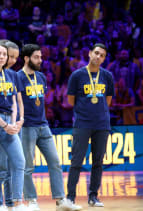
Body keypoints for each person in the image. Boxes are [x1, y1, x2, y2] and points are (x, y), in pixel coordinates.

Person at [17, 44, 81, 211]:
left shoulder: (41, 77)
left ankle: (61, 201)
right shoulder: (18, 77)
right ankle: (31, 201)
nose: (40, 60)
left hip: (43, 125)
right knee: (28, 166)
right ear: (26, 58)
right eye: (37, 57)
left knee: (55, 162)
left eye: (41, 57)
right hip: (27, 127)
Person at [66, 43, 115, 207]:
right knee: (76, 161)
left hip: (102, 124)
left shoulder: (107, 76)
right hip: (82, 123)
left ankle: (93, 197)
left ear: (104, 58)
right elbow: (71, 100)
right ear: (89, 54)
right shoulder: (77, 76)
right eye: (96, 53)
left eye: (102, 55)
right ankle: (70, 197)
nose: (98, 57)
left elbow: (108, 100)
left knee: (98, 162)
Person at [0, 40, 26, 211]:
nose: (3, 57)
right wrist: (5, 125)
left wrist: (14, 122)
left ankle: (17, 202)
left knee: (19, 162)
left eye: (5, 54)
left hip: (9, 122)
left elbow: (14, 102)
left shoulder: (11, 75)